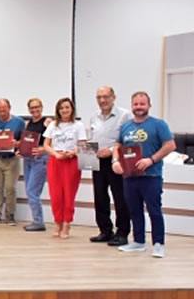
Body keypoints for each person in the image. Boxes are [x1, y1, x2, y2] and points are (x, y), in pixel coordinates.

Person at [113, 91, 175, 258]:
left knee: (154, 210)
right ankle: (139, 242)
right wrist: (115, 161)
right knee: (134, 210)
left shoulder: (158, 124)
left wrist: (151, 160)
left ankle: (158, 244)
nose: (139, 107)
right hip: (129, 176)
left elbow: (170, 145)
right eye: (136, 104)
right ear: (132, 106)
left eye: (142, 104)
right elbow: (118, 145)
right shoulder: (126, 126)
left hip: (151, 176)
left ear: (149, 106)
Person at [89, 86, 131, 247]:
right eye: (99, 97)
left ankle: (122, 232)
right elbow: (92, 138)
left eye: (106, 96)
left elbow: (128, 140)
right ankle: (105, 230)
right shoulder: (94, 116)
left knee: (120, 197)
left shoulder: (125, 115)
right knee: (99, 197)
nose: (102, 100)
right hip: (97, 160)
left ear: (114, 97)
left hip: (117, 161)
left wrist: (112, 150)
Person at [43, 98, 86, 239]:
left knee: (69, 194)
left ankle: (67, 224)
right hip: (55, 161)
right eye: (61, 108)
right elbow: (46, 145)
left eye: (67, 107)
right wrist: (56, 154)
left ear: (72, 109)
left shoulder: (78, 125)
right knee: (55, 195)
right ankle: (58, 223)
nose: (64, 110)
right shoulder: (53, 125)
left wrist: (72, 153)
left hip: (71, 162)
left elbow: (83, 145)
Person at [22, 98, 52, 232]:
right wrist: (21, 150)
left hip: (40, 160)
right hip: (28, 159)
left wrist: (43, 149)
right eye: (32, 108)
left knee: (33, 191)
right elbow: (27, 141)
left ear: (42, 107)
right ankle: (36, 220)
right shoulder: (28, 123)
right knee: (29, 190)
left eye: (37, 107)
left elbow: (53, 141)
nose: (34, 110)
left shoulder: (48, 122)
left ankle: (39, 222)